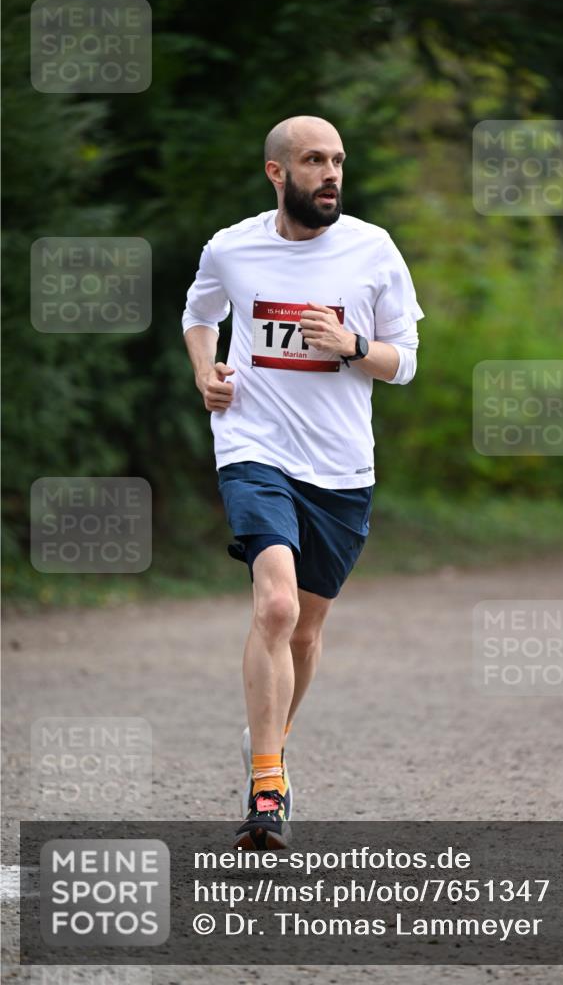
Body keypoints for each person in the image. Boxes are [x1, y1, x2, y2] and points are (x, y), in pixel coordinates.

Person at [182, 115, 423, 849]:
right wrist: (204, 371)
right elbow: (199, 315)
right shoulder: (232, 247)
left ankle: (273, 745)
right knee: (278, 606)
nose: (331, 174)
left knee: (307, 629)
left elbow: (405, 360)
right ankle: (266, 787)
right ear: (276, 172)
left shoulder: (371, 249)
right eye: (314, 160)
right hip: (254, 445)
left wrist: (351, 344)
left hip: (341, 466)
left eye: (338, 160)